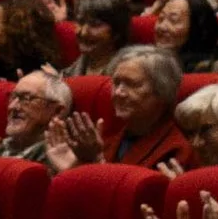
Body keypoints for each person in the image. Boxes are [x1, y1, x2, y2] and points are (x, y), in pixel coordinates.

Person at [54, 46, 193, 172]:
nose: (118, 92)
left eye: (132, 84)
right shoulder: (106, 139)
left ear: (163, 91)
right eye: (116, 83)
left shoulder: (176, 151)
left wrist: (94, 161)